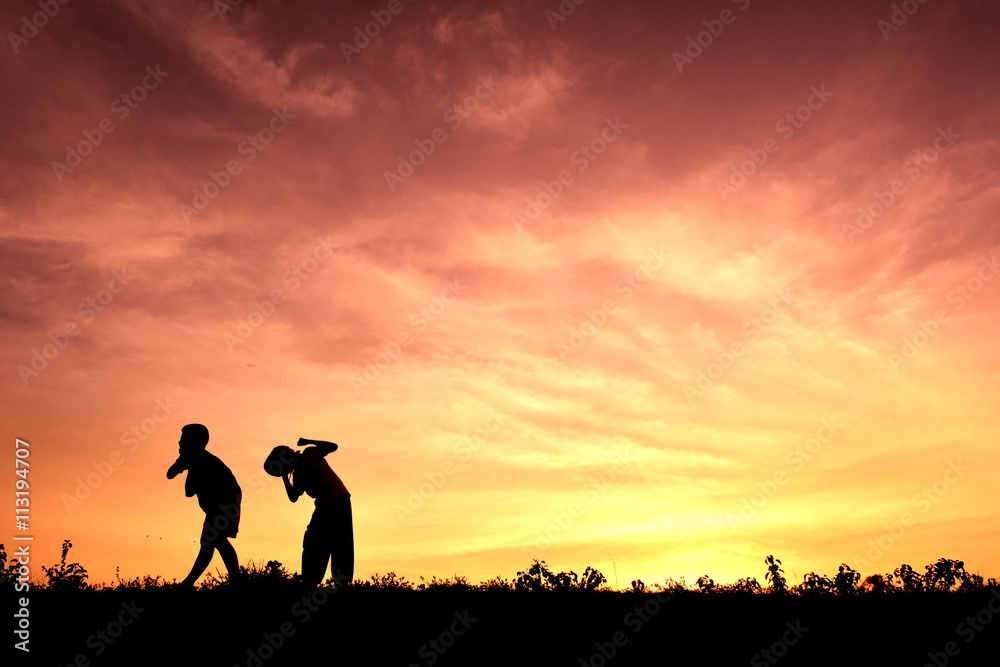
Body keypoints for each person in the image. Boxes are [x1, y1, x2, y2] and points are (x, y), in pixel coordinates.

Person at [264, 437, 353, 588]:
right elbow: (294, 496)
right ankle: (312, 580)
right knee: (319, 541)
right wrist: (285, 477)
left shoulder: (309, 454)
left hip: (337, 500)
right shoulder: (298, 472)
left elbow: (333, 446)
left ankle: (331, 581)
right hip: (327, 504)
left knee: (336, 542)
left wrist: (307, 441)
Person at [166, 423, 242, 587]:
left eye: (183, 440)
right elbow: (170, 474)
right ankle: (234, 580)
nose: (179, 444)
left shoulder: (202, 460)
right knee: (213, 542)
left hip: (225, 502)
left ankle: (189, 584)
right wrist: (183, 462)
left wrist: (186, 464)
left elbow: (188, 490)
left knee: (214, 541)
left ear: (195, 442)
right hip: (221, 504)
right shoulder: (195, 459)